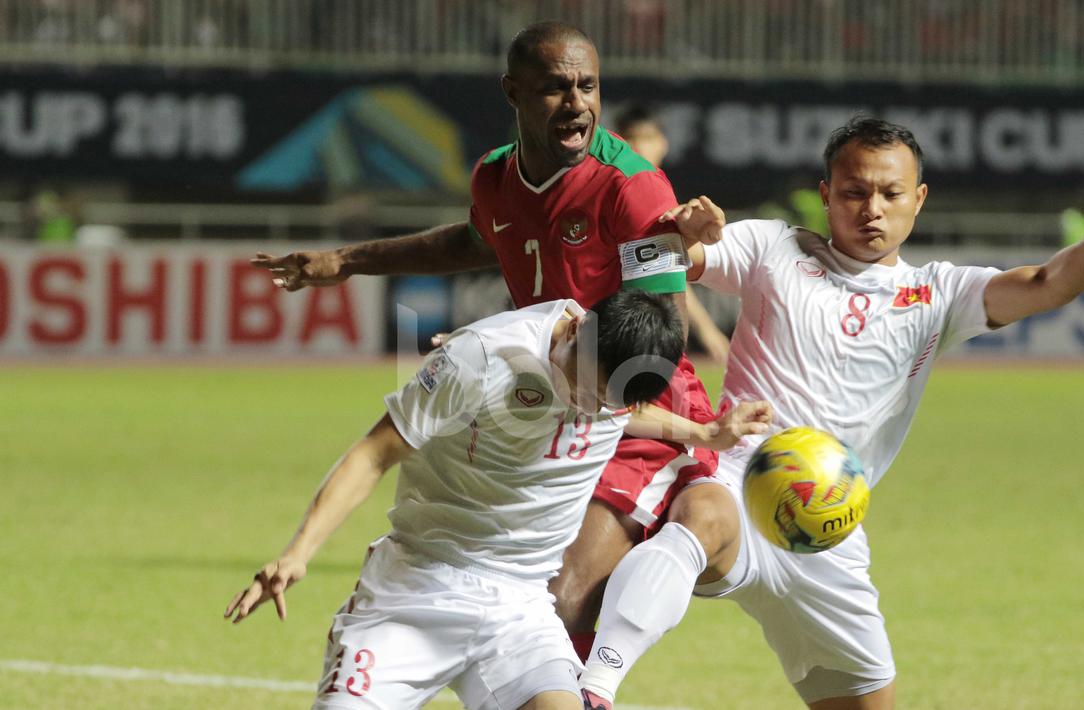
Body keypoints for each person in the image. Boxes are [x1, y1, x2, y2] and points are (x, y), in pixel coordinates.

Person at [248, 21, 767, 699]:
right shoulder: (496, 176)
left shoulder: (631, 188)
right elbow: (472, 241)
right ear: (513, 93)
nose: (576, 103)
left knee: (563, 592)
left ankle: (661, 583)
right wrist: (349, 261)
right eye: (555, 88)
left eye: (587, 86)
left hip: (625, 394)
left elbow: (655, 338)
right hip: (543, 388)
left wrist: (673, 255)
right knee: (488, 558)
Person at [575, 117, 1084, 709]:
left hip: (830, 530)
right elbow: (650, 255)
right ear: (827, 193)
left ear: (919, 198)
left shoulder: (938, 293)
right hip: (741, 486)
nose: (872, 210)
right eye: (855, 192)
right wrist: (682, 236)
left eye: (891, 193)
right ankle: (596, 688)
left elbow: (1043, 284)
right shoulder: (773, 248)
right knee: (700, 511)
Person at [224, 291, 687, 709]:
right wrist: (298, 553)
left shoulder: (617, 389)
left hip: (521, 606)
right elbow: (374, 453)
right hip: (416, 586)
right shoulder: (481, 356)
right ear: (574, 328)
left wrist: (704, 433)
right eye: (581, 384)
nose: (582, 405)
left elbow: (626, 409)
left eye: (600, 401)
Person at [614, 103, 732, 365]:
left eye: (647, 138)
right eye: (630, 138)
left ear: (663, 143)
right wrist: (708, 331)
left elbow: (667, 268)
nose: (639, 147)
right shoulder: (614, 195)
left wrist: (707, 330)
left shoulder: (663, 197)